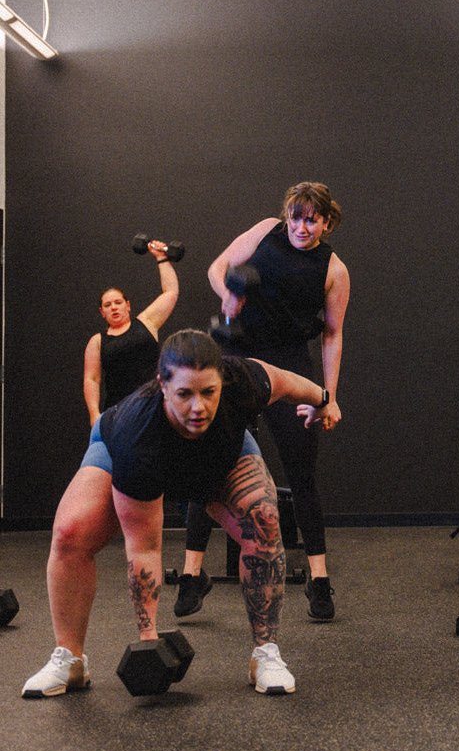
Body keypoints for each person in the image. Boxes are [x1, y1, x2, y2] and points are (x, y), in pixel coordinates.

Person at [22, 329, 332, 699]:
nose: (198, 407)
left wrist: (324, 400)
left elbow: (289, 381)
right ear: (162, 386)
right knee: (71, 533)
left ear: (223, 381)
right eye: (184, 394)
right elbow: (145, 548)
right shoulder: (136, 434)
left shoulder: (243, 380)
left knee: (264, 521)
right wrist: (149, 644)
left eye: (208, 392)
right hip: (126, 449)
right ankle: (69, 660)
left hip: (217, 455)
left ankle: (265, 653)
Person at [175, 182, 350, 621]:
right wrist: (228, 296)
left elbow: (332, 335)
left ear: (327, 223)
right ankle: (192, 574)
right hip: (236, 354)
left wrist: (329, 397)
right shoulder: (265, 231)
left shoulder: (334, 271)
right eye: (296, 216)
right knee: (209, 460)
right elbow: (218, 268)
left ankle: (320, 581)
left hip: (289, 363)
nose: (301, 226)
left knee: (301, 470)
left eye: (312, 219)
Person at [83, 241, 179, 424]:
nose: (114, 308)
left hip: (154, 406)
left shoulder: (147, 322)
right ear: (102, 312)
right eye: (108, 305)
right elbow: (92, 379)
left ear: (128, 305)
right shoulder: (97, 341)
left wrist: (161, 258)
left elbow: (171, 292)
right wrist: (94, 415)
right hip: (119, 412)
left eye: (118, 302)